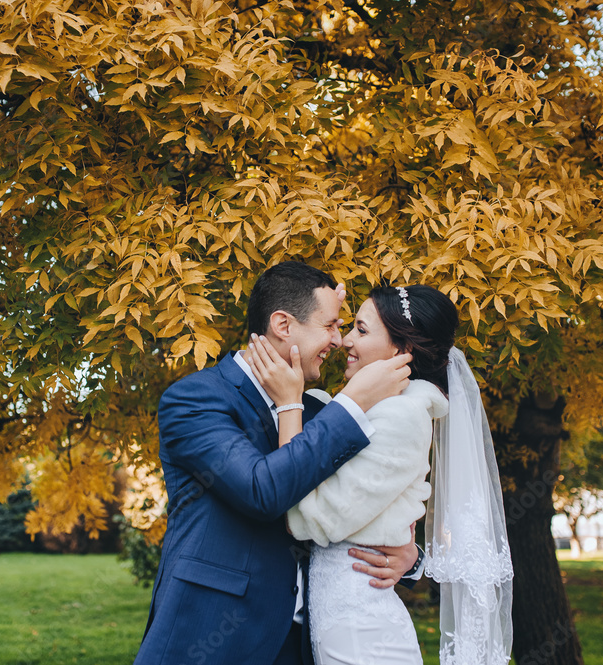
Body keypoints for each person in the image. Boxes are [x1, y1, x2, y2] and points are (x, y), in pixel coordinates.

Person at [134, 262, 423, 665]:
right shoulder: (196, 399)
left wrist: (409, 555)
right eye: (330, 326)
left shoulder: (315, 409)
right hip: (211, 637)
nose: (338, 342)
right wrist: (352, 402)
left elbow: (353, 501)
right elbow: (262, 492)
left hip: (304, 643)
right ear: (283, 325)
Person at [247, 284, 514, 665]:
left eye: (361, 329)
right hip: (342, 623)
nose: (345, 341)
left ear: (401, 351)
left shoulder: (401, 418)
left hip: (363, 634)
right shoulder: (365, 410)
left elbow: (302, 516)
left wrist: (289, 404)